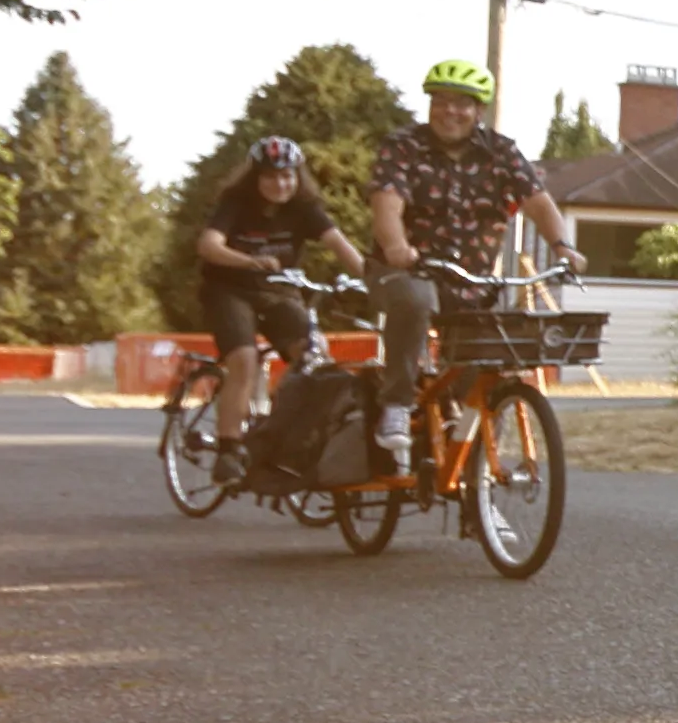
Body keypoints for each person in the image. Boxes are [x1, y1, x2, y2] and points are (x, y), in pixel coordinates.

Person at [365, 59, 577, 471]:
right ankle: (396, 403)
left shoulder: (501, 152)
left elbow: (537, 201)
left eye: (462, 103)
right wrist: (395, 245)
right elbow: (386, 201)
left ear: (479, 110)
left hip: (471, 282)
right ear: (430, 105)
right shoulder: (403, 145)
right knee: (413, 297)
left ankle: (478, 485)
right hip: (407, 270)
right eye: (442, 101)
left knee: (487, 366)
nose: (451, 111)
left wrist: (564, 246)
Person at [189, 134, 364, 462]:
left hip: (277, 292)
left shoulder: (305, 209)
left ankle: (289, 430)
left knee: (315, 355)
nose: (279, 184)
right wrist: (250, 261)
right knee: (244, 359)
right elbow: (209, 246)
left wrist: (375, 281)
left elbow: (341, 246)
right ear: (254, 178)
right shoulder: (236, 204)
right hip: (228, 291)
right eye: (269, 176)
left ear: (298, 177)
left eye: (287, 176)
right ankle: (229, 448)